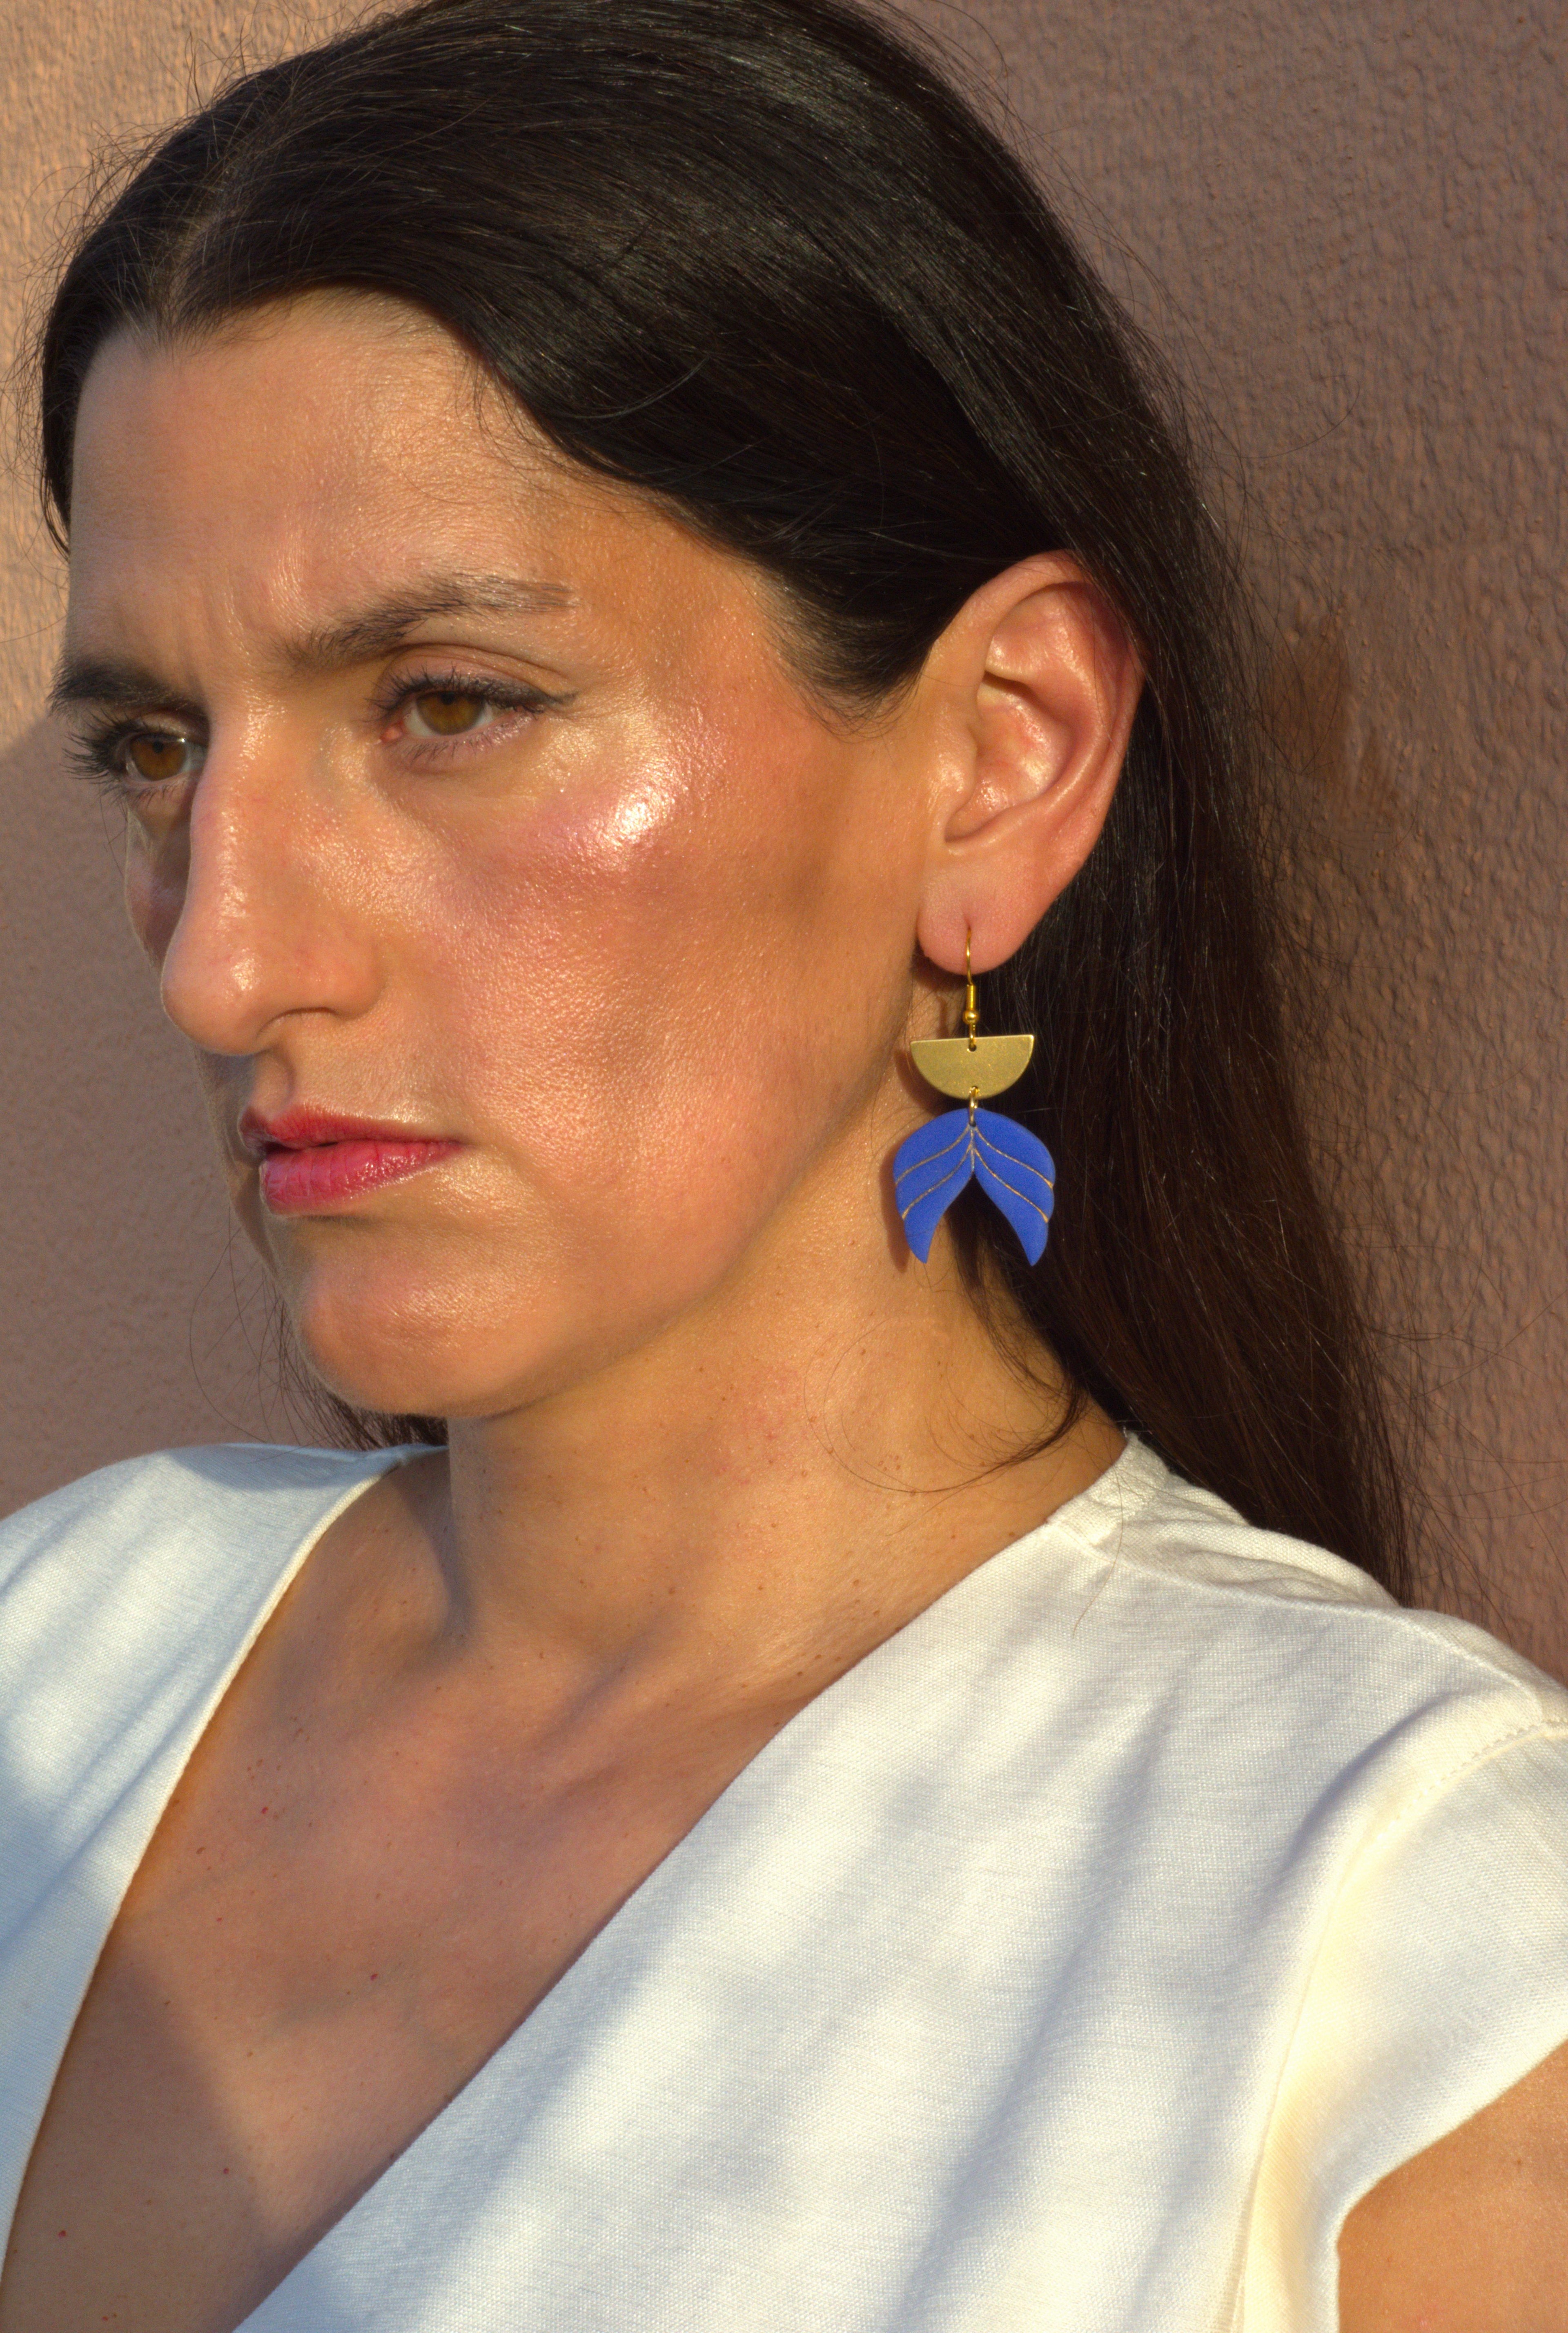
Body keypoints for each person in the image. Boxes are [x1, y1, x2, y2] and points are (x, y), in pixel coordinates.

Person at [2, 0, 1565, 2325]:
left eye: (451, 705)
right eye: (157, 747)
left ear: (1000, 758)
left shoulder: (1385, 1943)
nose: (223, 963)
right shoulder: (53, 1648)